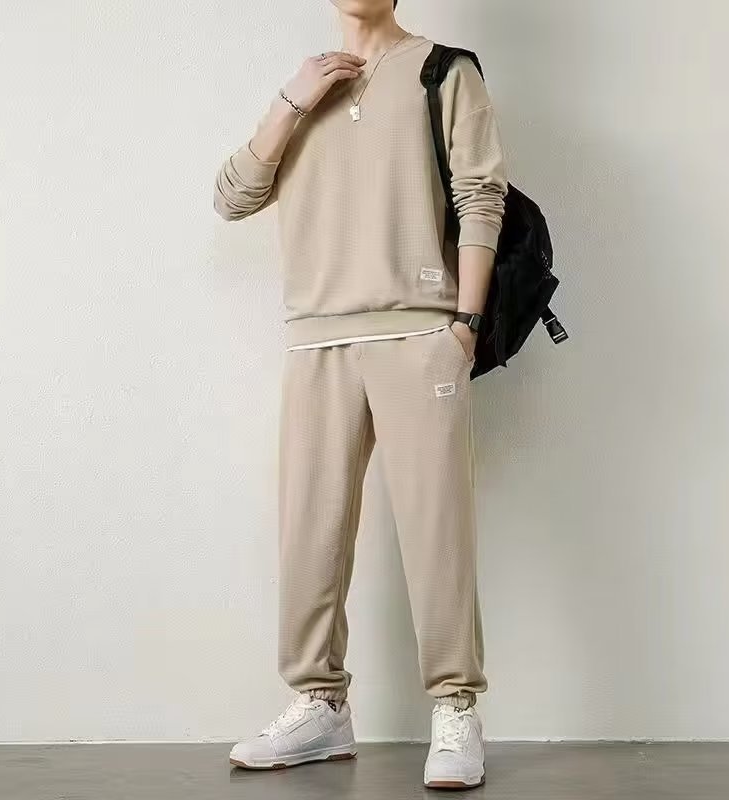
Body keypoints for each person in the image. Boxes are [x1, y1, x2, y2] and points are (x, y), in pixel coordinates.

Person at [213, 0, 507, 789]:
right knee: (309, 532)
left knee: (437, 531)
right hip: (317, 340)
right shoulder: (305, 87)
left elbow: (481, 196)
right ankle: (319, 705)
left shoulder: (444, 70)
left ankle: (455, 707)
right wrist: (292, 100)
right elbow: (232, 196)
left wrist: (464, 325)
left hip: (420, 332)